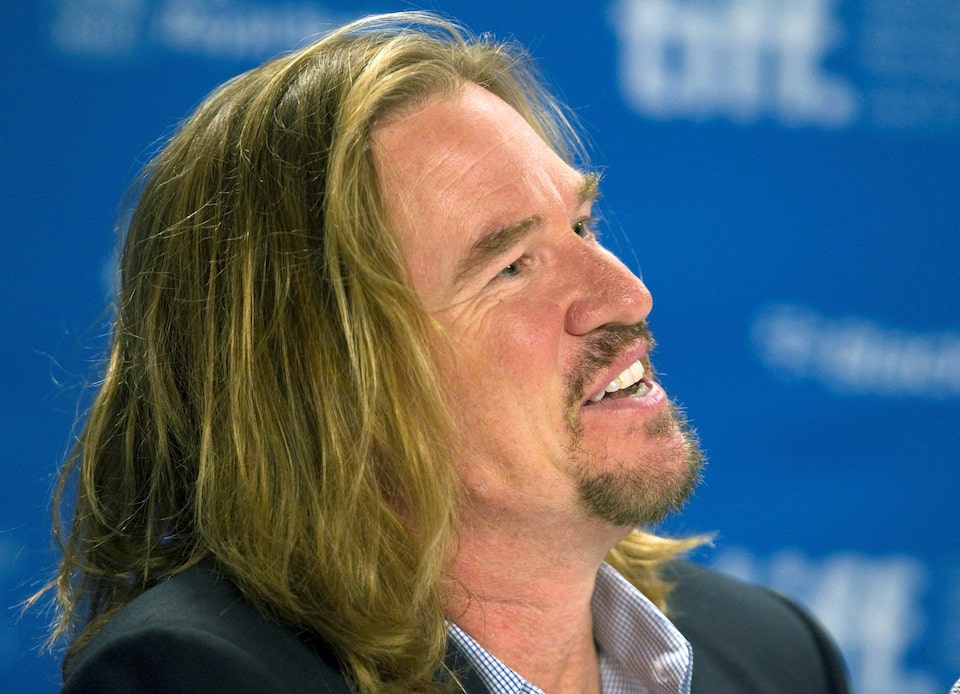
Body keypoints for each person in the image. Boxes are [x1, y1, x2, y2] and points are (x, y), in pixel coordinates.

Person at [40, 11, 849, 694]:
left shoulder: (777, 656)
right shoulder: (200, 676)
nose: (628, 295)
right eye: (511, 266)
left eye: (581, 225)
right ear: (331, 383)